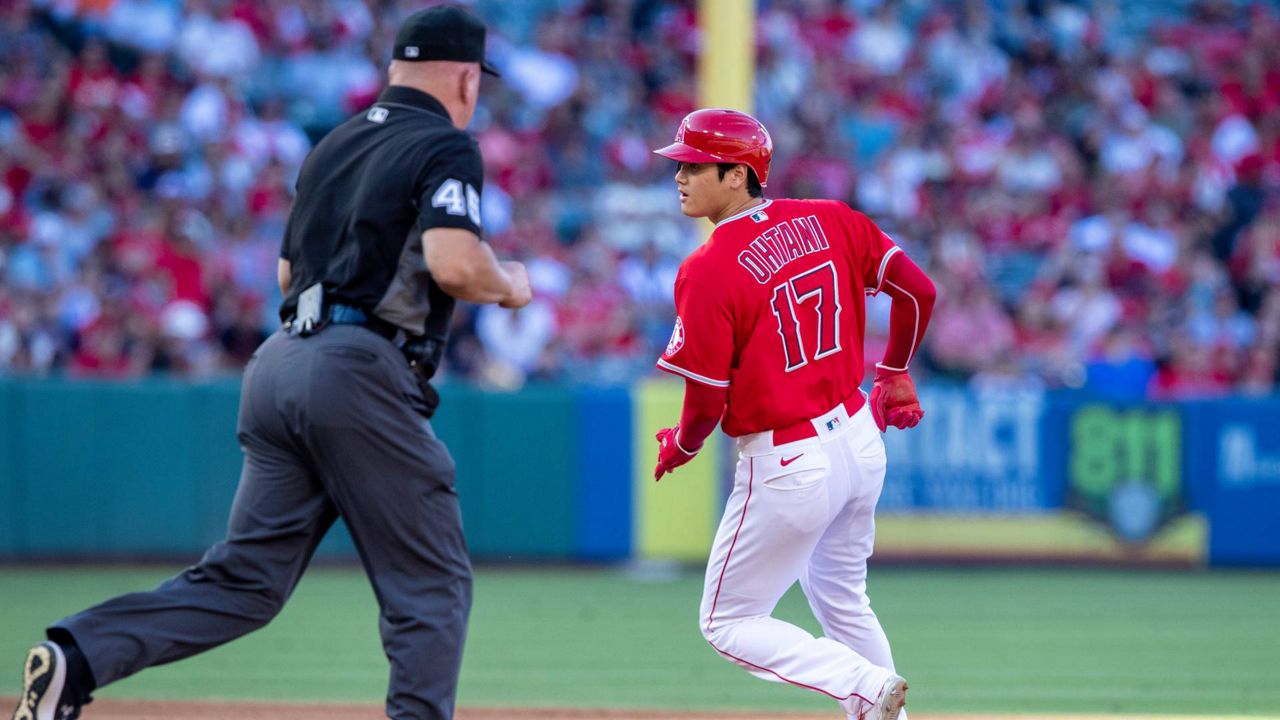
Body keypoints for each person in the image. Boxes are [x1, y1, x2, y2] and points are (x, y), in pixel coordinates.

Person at [10, 7, 529, 720]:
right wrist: (509, 282)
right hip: (360, 371)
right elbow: (456, 264)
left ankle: (80, 655)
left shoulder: (332, 145)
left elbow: (288, 275)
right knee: (430, 582)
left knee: (245, 582)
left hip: (282, 363)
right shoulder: (444, 144)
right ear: (467, 76)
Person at [650, 108, 936, 720]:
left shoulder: (707, 270)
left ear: (738, 175)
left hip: (788, 461)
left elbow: (704, 404)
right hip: (858, 439)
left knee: (727, 620)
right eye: (679, 164)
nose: (679, 175)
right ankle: (880, 704)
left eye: (694, 165)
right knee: (842, 598)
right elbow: (919, 291)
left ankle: (861, 685)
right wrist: (894, 370)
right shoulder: (830, 218)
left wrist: (683, 444)